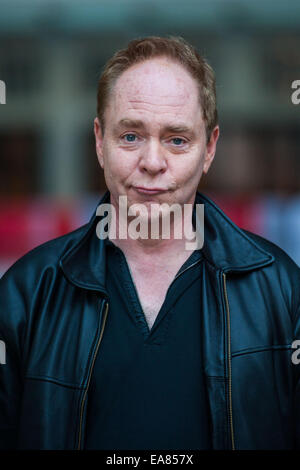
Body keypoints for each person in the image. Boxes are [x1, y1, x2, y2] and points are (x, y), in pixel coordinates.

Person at [0, 36, 299, 451]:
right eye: (130, 137)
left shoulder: (282, 290)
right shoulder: (24, 295)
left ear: (209, 149)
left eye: (177, 139)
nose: (153, 162)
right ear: (100, 141)